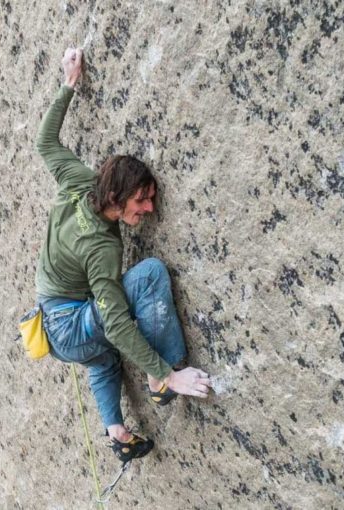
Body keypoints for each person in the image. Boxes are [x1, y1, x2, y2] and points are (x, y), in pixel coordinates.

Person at [35, 47, 212, 463]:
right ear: (115, 196)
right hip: (70, 323)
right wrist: (167, 372)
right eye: (140, 201)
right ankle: (162, 380)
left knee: (103, 361)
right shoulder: (103, 248)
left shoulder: (81, 180)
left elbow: (45, 143)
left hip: (54, 322)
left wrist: (69, 84)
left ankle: (118, 433)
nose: (147, 210)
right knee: (149, 274)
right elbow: (114, 321)